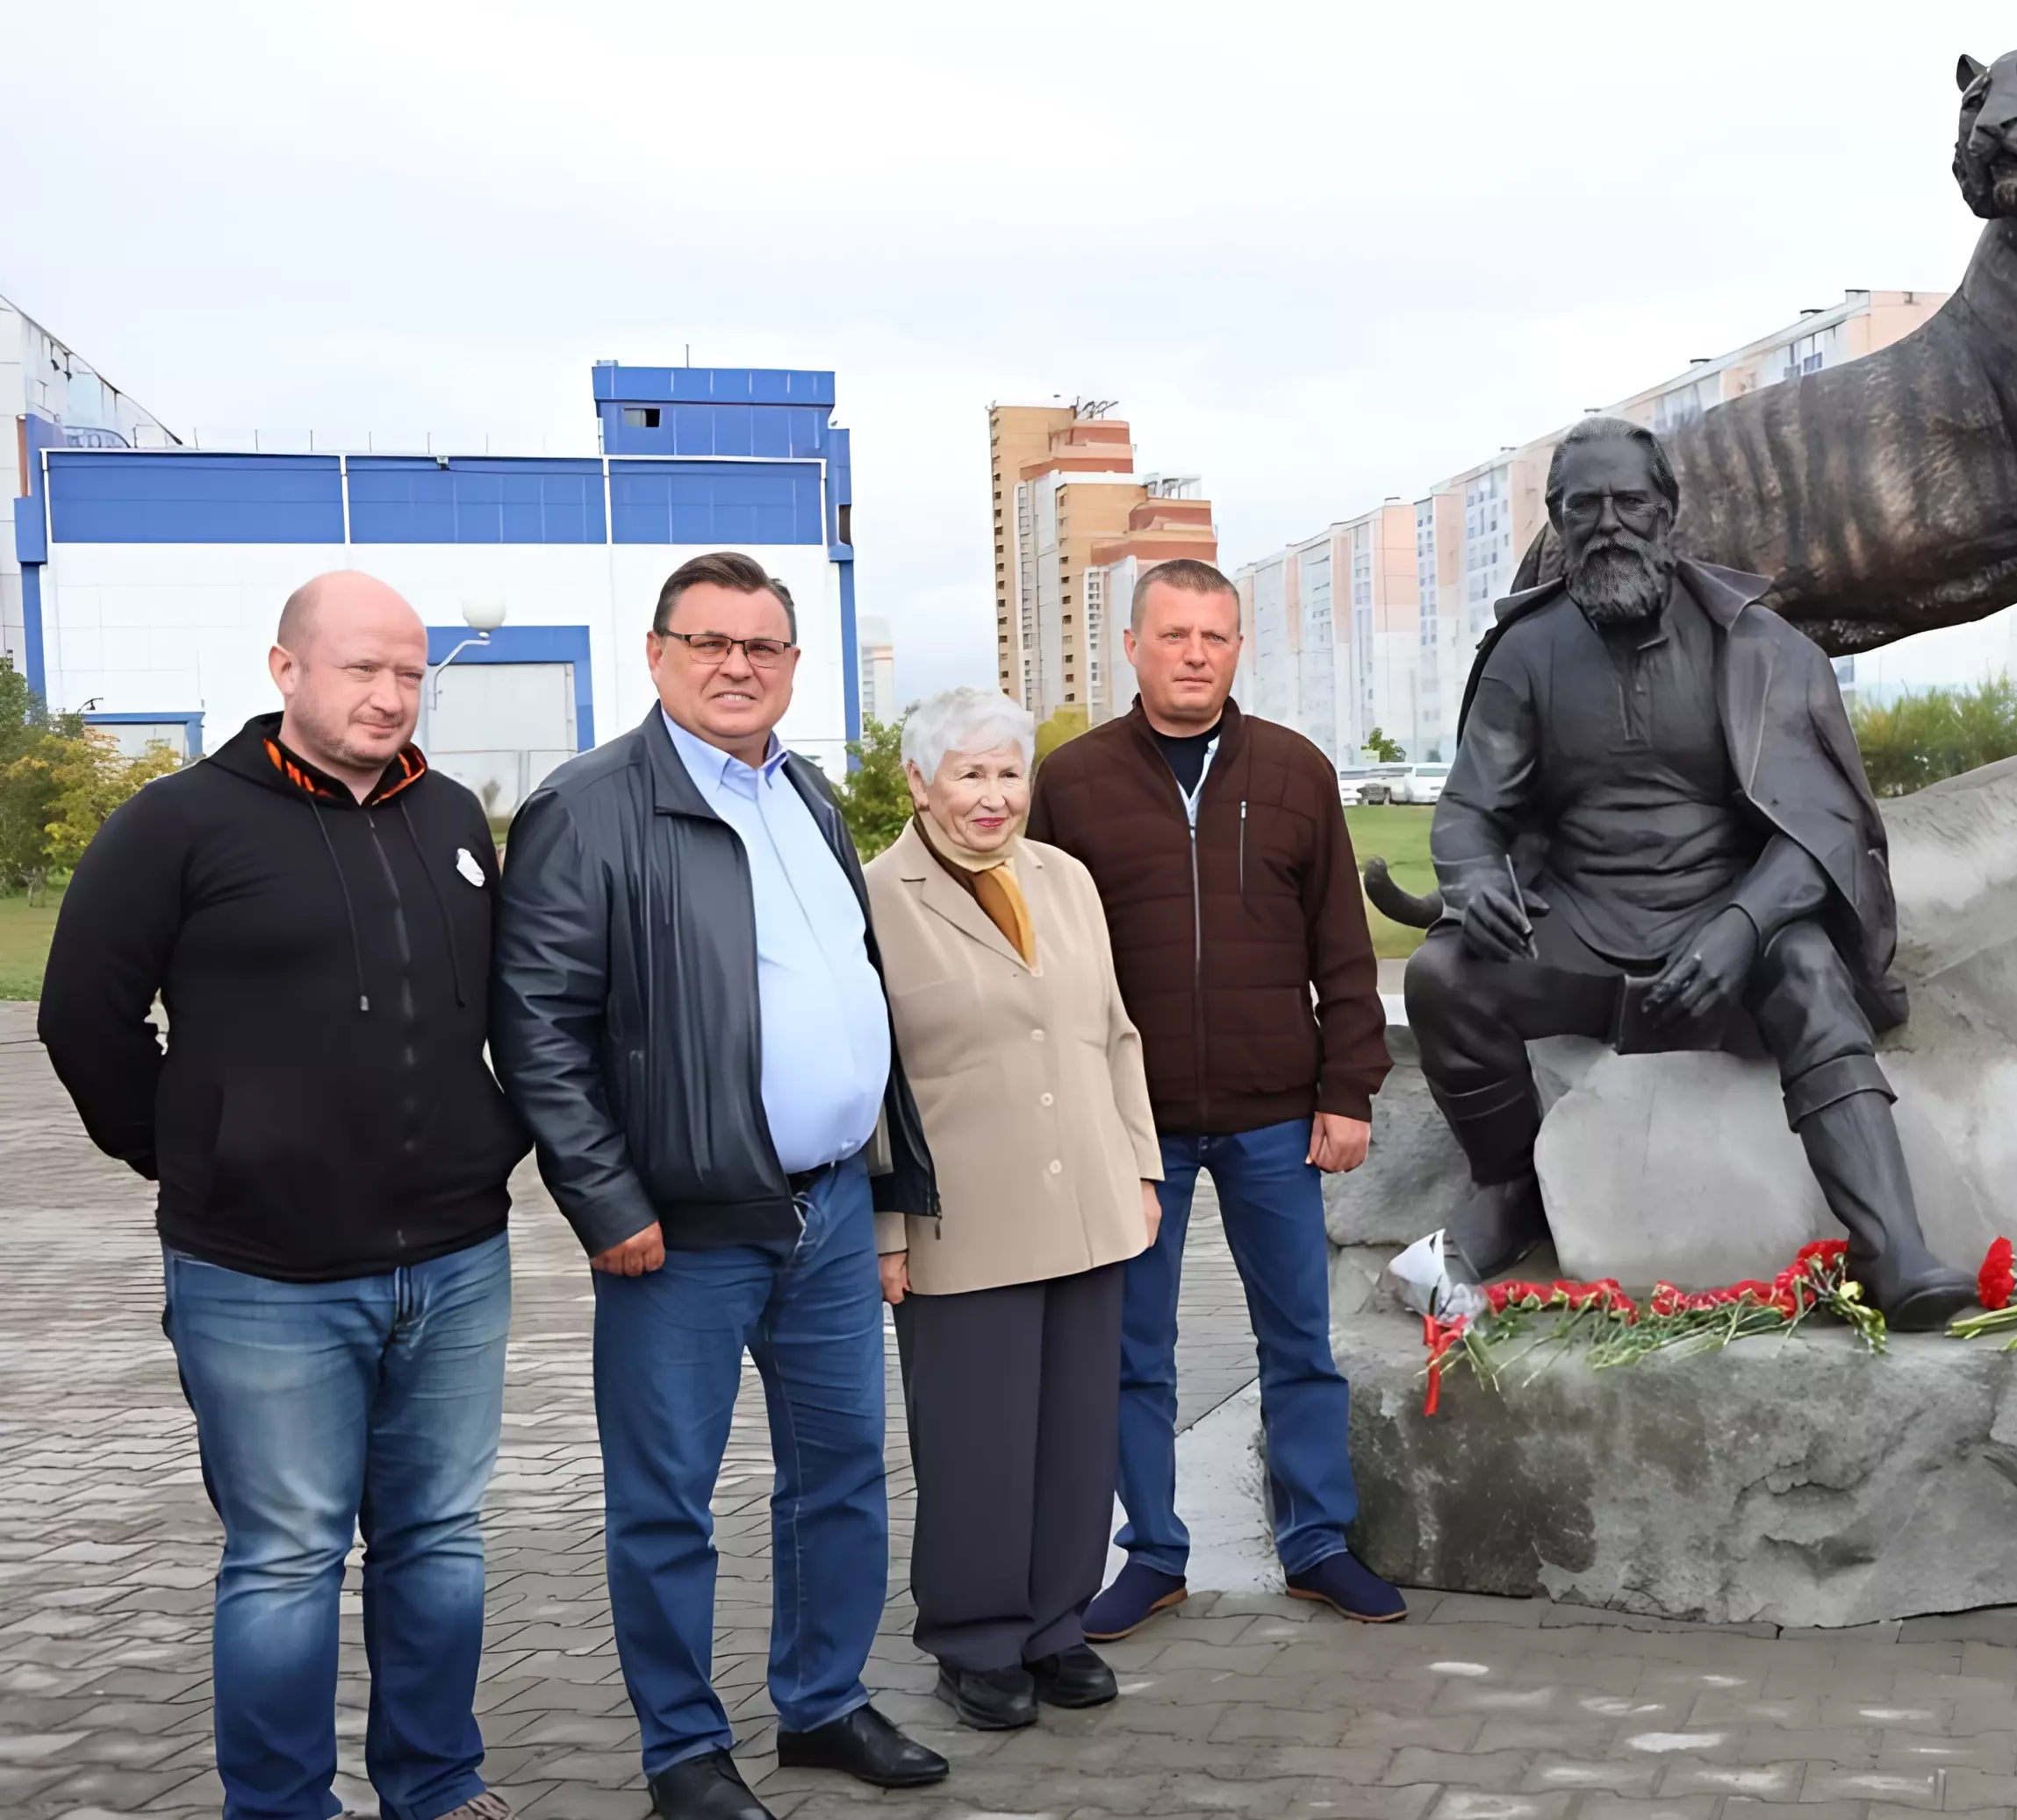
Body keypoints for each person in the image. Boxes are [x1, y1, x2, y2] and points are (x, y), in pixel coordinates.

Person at [39, 572, 529, 1820]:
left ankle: (434, 1783)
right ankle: (282, 1805)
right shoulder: (179, 823)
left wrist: (498, 1135)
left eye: (410, 673)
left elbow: (506, 1007)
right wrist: (193, 1150)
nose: (389, 695)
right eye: (363, 668)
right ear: (286, 671)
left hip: (458, 1262)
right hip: (264, 1279)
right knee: (286, 1561)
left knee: (439, 1544)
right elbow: (81, 1015)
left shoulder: (455, 818)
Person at [491, 552, 947, 1820]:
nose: (737, 666)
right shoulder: (587, 808)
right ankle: (684, 1748)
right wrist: (607, 1200)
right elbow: (535, 1025)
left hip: (830, 1205)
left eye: (764, 646)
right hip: (679, 1228)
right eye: (710, 643)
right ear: (655, 654)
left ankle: (823, 1701)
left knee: (843, 1471)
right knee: (666, 1502)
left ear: (795, 665)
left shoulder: (801, 789)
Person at [1388, 416, 1980, 1330]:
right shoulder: (1524, 654)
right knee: (1441, 975)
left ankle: (1892, 1245)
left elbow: (1820, 825)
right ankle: (1509, 1190)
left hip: (1734, 925)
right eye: (1584, 506)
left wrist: (1739, 928)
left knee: (1812, 969)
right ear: (1557, 520)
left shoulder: (1757, 646)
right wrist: (1472, 881)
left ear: (1667, 512)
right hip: (1583, 925)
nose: (1609, 523)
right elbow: (1471, 810)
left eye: (1630, 501)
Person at [1025, 556, 1404, 1634]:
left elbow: (1343, 946)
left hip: (1277, 1113)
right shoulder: (1075, 781)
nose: (1195, 654)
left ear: (1238, 649)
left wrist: (1350, 1090)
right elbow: (1051, 961)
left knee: (1299, 1343)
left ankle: (1317, 1541)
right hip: (1130, 1126)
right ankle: (1152, 1551)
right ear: (1135, 647)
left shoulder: (1294, 769)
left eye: (1215, 637)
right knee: (1132, 1349)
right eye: (1175, 635)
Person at [865, 686, 1162, 1731]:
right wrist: (885, 1228)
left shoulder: (1066, 879)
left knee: (1078, 1431)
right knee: (976, 1439)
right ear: (919, 783)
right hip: (961, 1215)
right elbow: (876, 1081)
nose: (993, 797)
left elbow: (1114, 1033)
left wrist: (1140, 1168)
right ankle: (976, 1639)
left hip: (1087, 1197)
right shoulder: (876, 898)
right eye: (969, 774)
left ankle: (1055, 1625)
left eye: (1007, 772)